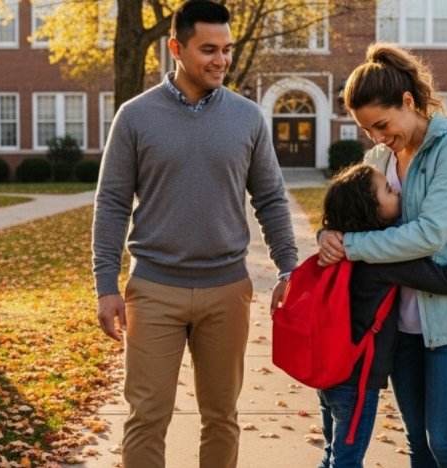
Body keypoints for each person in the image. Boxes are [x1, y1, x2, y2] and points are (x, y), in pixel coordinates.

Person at [91, 1, 297, 467]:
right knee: (147, 415)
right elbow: (112, 205)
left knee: (222, 416)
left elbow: (270, 198)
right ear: (176, 48)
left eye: (226, 49)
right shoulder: (135, 116)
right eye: (208, 49)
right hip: (154, 290)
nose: (220, 60)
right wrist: (106, 286)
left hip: (226, 290)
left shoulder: (246, 118)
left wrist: (289, 266)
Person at [318, 43, 447, 467]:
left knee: (445, 442)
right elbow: (354, 209)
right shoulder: (381, 156)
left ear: (408, 101)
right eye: (368, 131)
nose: (379, 138)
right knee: (417, 443)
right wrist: (327, 232)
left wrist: (349, 246)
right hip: (398, 323)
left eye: (382, 124)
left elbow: (429, 236)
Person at [316, 163, 447, 468]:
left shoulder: (343, 244)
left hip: (331, 373)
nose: (396, 189)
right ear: (370, 211)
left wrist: (324, 232)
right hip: (357, 381)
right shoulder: (381, 257)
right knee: (345, 462)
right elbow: (445, 280)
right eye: (387, 189)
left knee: (333, 455)